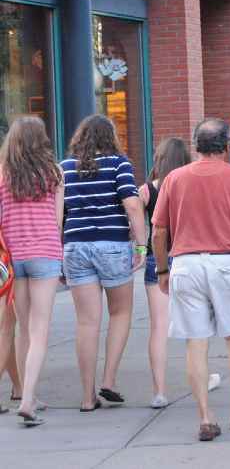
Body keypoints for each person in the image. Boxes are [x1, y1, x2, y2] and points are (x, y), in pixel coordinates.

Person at [152, 118, 230, 442]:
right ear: (226, 146)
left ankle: (206, 418)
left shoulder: (174, 179)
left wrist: (162, 270)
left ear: (196, 145)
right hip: (226, 263)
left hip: (186, 264)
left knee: (196, 341)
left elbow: (159, 231)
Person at [61, 115, 148, 411]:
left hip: (75, 245)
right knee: (120, 313)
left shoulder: (66, 168)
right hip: (111, 244)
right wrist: (141, 245)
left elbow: (58, 212)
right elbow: (133, 205)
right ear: (110, 137)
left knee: (86, 322)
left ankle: (87, 397)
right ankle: (108, 381)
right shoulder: (118, 164)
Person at [0, 116, 63, 426]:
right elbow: (58, 220)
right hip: (46, 255)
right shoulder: (54, 174)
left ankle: (28, 394)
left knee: (24, 329)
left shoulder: (3, 175)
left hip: (14, 259)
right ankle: (27, 401)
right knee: (39, 331)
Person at [138, 137, 204, 409]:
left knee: (158, 327)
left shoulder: (146, 190)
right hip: (187, 257)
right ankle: (201, 380)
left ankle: (159, 391)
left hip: (158, 259)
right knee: (195, 327)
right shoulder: (191, 184)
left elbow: (136, 221)